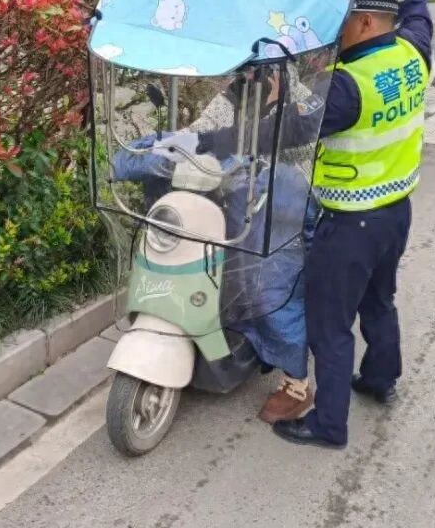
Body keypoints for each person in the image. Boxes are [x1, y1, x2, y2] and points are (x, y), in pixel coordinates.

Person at [268, 0, 433, 449]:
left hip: (349, 227)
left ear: (363, 22)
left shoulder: (345, 88)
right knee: (379, 302)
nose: (328, 32)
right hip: (396, 214)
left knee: (330, 325)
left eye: (336, 21)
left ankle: (328, 424)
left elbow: (283, 132)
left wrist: (274, 89)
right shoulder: (413, 50)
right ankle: (381, 379)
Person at [114, 67, 320, 424]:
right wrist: (167, 147)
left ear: (279, 68)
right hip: (241, 204)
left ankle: (296, 382)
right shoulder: (233, 98)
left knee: (268, 289)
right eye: (246, 69)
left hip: (285, 209)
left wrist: (247, 152)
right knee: (209, 262)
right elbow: (202, 133)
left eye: (260, 68)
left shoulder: (301, 105)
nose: (250, 76)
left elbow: (293, 147)